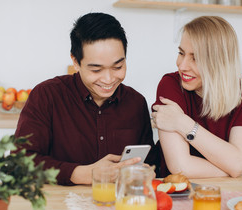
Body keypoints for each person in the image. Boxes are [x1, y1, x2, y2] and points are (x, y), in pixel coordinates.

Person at [15, 12, 154, 185]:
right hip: (60, 206)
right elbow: (21, 161)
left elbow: (150, 163)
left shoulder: (136, 102)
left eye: (118, 66)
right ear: (75, 61)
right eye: (96, 70)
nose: (108, 79)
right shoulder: (46, 95)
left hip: (119, 206)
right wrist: (80, 173)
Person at [151, 16, 242, 178]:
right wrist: (231, 170)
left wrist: (183, 123)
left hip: (224, 190)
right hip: (179, 192)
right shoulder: (170, 85)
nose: (182, 65)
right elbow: (180, 167)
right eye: (181, 53)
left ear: (220, 61)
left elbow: (236, 163)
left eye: (195, 58)